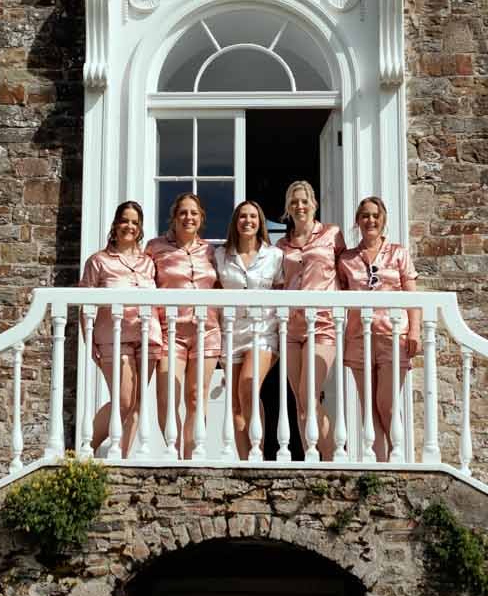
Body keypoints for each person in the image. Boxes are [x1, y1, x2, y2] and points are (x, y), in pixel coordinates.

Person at [340, 195, 421, 462]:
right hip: (358, 336)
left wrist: (415, 331)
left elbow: (412, 295)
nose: (370, 220)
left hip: (392, 335)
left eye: (375, 215)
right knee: (368, 408)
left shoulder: (399, 253)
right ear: (357, 221)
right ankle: (380, 464)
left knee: (385, 402)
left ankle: (397, 458)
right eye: (365, 216)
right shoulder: (347, 258)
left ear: (383, 219)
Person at [145, 193, 219, 459]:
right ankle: (171, 454)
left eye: (194, 213)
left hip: (206, 332)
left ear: (201, 219)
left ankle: (192, 456)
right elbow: (141, 280)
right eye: (183, 213)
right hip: (170, 333)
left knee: (196, 397)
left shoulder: (210, 251)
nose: (189, 218)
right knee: (167, 398)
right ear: (174, 218)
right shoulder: (155, 248)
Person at [80, 200, 155, 456]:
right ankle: (84, 448)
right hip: (113, 337)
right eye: (125, 220)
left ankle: (121, 458)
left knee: (137, 403)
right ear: (115, 224)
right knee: (123, 401)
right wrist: (88, 343)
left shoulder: (148, 262)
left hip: (147, 336)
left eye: (135, 222)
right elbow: (84, 303)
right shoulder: (98, 261)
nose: (130, 226)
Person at [213, 199, 284, 461]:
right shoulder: (221, 255)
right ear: (235, 222)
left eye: (253, 216)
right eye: (243, 216)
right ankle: (246, 461)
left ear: (260, 222)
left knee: (248, 387)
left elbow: (282, 290)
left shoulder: (275, 256)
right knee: (235, 405)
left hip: (262, 332)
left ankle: (258, 454)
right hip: (231, 334)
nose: (248, 221)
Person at [276, 179, 341, 462]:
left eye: (304, 200)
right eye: (294, 202)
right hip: (291, 327)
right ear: (288, 208)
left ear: (314, 203)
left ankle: (329, 459)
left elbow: (348, 272)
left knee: (309, 395)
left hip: (323, 323)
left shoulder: (332, 235)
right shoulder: (282, 244)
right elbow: (278, 284)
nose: (299, 206)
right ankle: (310, 459)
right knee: (301, 402)